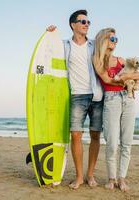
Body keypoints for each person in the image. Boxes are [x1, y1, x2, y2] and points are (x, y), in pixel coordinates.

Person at [47, 10, 105, 189]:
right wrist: (49, 35)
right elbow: (49, 53)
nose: (87, 24)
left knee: (95, 135)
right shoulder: (64, 45)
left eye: (88, 21)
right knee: (75, 135)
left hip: (97, 95)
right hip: (76, 95)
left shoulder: (95, 45)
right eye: (82, 21)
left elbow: (109, 53)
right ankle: (79, 176)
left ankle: (90, 175)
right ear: (73, 25)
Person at [93, 28, 139, 192]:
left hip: (128, 99)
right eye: (112, 39)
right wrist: (125, 79)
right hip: (111, 100)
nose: (115, 42)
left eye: (116, 39)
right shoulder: (98, 60)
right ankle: (111, 178)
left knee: (126, 142)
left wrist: (123, 77)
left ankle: (121, 178)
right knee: (112, 143)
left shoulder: (121, 60)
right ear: (104, 40)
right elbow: (107, 80)